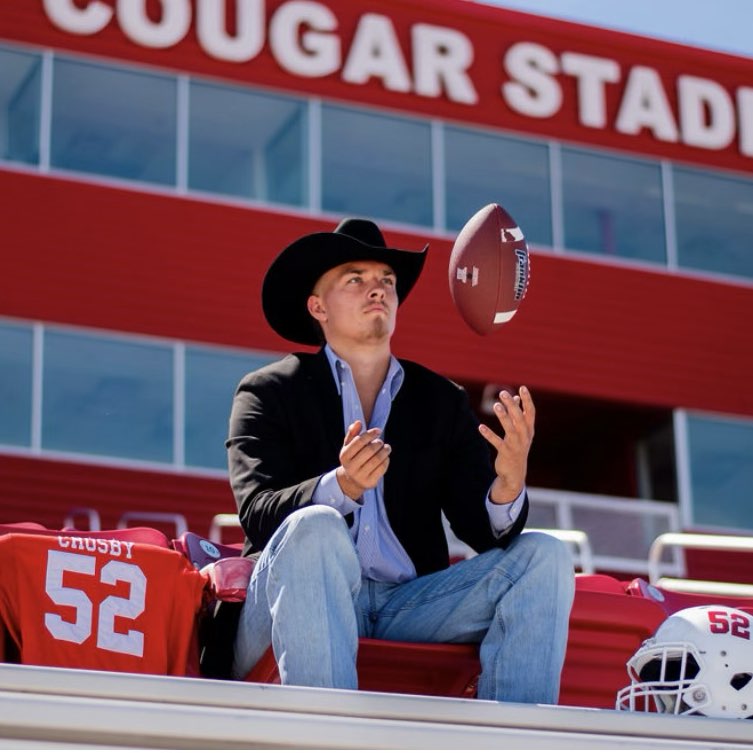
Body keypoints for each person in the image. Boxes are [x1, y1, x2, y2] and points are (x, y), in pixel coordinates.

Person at [225, 218, 575, 703]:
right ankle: (328, 735)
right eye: (355, 279)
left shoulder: (440, 400)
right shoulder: (268, 391)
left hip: (409, 607)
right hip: (289, 598)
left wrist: (508, 486)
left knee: (546, 555)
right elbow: (258, 514)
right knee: (316, 526)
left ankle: (514, 735)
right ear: (317, 306)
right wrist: (342, 486)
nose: (378, 289)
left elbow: (481, 531)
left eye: (386, 280)